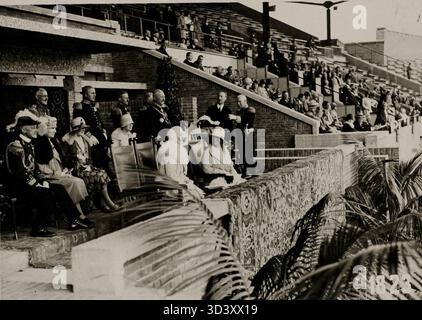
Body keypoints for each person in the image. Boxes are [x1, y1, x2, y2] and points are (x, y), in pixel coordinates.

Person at [5, 111, 89, 236]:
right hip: (19, 186)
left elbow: (34, 169)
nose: (35, 130)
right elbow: (19, 172)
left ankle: (74, 220)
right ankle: (38, 228)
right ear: (23, 129)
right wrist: (37, 184)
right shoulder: (15, 146)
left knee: (59, 188)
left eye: (35, 127)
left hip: (29, 182)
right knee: (45, 193)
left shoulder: (29, 143)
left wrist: (42, 180)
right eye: (32, 128)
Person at [34, 116, 94, 228]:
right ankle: (79, 216)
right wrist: (58, 173)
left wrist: (65, 169)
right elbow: (41, 167)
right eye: (52, 128)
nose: (55, 131)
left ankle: (78, 216)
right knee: (74, 182)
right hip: (49, 176)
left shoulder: (52, 141)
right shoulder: (40, 144)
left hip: (58, 172)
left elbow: (61, 159)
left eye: (54, 128)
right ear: (44, 129)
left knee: (78, 181)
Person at [62, 117, 121, 213]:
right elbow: (66, 157)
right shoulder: (69, 139)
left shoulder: (84, 137)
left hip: (87, 166)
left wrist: (85, 135)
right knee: (100, 175)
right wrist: (76, 158)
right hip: (76, 169)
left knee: (103, 173)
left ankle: (104, 203)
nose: (84, 130)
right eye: (82, 128)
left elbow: (95, 142)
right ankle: (107, 203)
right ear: (76, 129)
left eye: (84, 128)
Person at [156, 126, 205, 199]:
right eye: (179, 138)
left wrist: (187, 181)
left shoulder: (177, 151)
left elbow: (180, 175)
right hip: (169, 187)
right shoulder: (169, 152)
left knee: (201, 193)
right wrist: (187, 184)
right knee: (197, 197)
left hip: (179, 185)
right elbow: (171, 176)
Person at [72, 86, 110, 171]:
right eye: (92, 93)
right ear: (85, 94)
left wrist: (103, 130)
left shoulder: (93, 106)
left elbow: (98, 121)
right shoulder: (80, 106)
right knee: (96, 161)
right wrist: (89, 136)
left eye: (95, 93)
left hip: (99, 136)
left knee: (105, 159)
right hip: (89, 138)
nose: (94, 95)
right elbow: (78, 126)